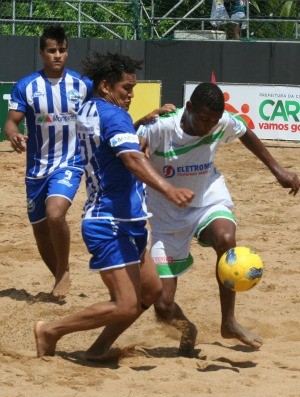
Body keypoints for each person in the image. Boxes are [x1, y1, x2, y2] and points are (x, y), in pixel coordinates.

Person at [83, 82, 300, 360]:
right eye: (204, 119)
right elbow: (127, 144)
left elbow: (245, 132)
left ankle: (229, 321)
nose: (209, 126)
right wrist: (139, 129)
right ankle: (182, 331)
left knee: (226, 239)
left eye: (213, 121)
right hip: (166, 218)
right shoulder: (160, 127)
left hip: (206, 199)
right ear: (189, 109)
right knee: (161, 303)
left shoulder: (220, 121)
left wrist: (278, 170)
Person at [34, 52, 194, 358]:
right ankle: (50, 330)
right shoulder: (113, 116)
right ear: (106, 86)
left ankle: (98, 350)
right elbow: (131, 158)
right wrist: (168, 189)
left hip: (127, 220)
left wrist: (138, 127)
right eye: (126, 89)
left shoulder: (91, 109)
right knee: (125, 304)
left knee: (150, 293)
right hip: (108, 222)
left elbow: (114, 144)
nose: (131, 95)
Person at [4, 25, 93, 299]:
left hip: (70, 161)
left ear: (67, 52)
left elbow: (100, 115)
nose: (58, 55)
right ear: (42, 52)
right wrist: (14, 136)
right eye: (52, 50)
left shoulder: (83, 85)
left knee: (56, 214)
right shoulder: (26, 86)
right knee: (40, 230)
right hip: (36, 168)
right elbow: (11, 123)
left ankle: (64, 271)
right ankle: (58, 278)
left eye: (62, 50)